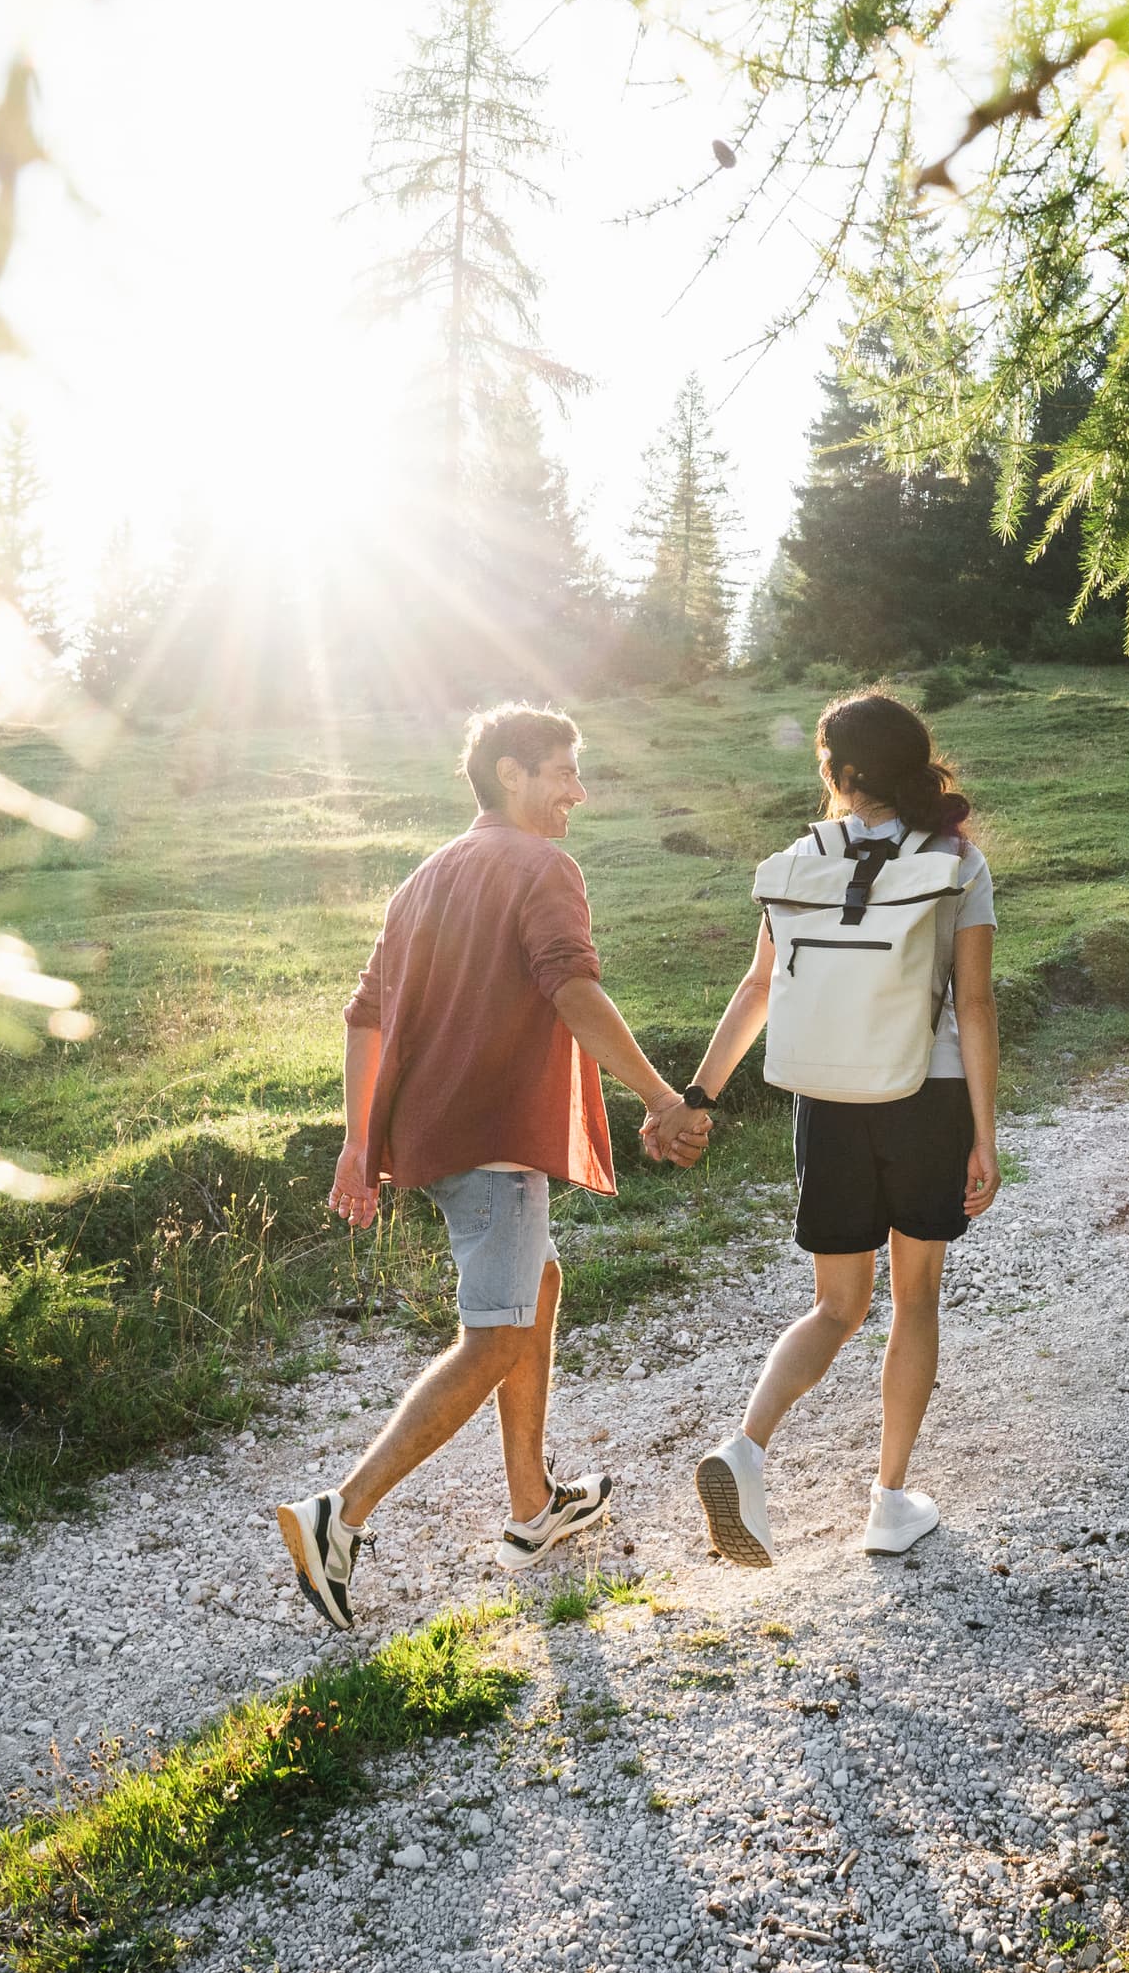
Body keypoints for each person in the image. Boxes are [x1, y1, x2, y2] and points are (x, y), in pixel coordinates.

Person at [275, 704, 710, 1629]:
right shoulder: (542, 865)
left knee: (534, 1288)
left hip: (435, 1140)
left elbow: (364, 1016)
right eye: (563, 771)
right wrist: (660, 1098)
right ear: (512, 773)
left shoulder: (425, 877)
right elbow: (573, 988)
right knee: (497, 1334)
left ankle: (530, 1508)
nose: (577, 792)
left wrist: (361, 1142)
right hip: (496, 1136)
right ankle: (338, 1515)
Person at [681, 690, 1000, 1563]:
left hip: (824, 1097)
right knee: (915, 1298)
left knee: (836, 1304)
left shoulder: (800, 860)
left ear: (844, 773)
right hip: (924, 1096)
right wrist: (985, 1132)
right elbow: (973, 1005)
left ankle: (745, 1449)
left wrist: (698, 1095)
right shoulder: (956, 860)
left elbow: (757, 990)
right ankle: (890, 1504)